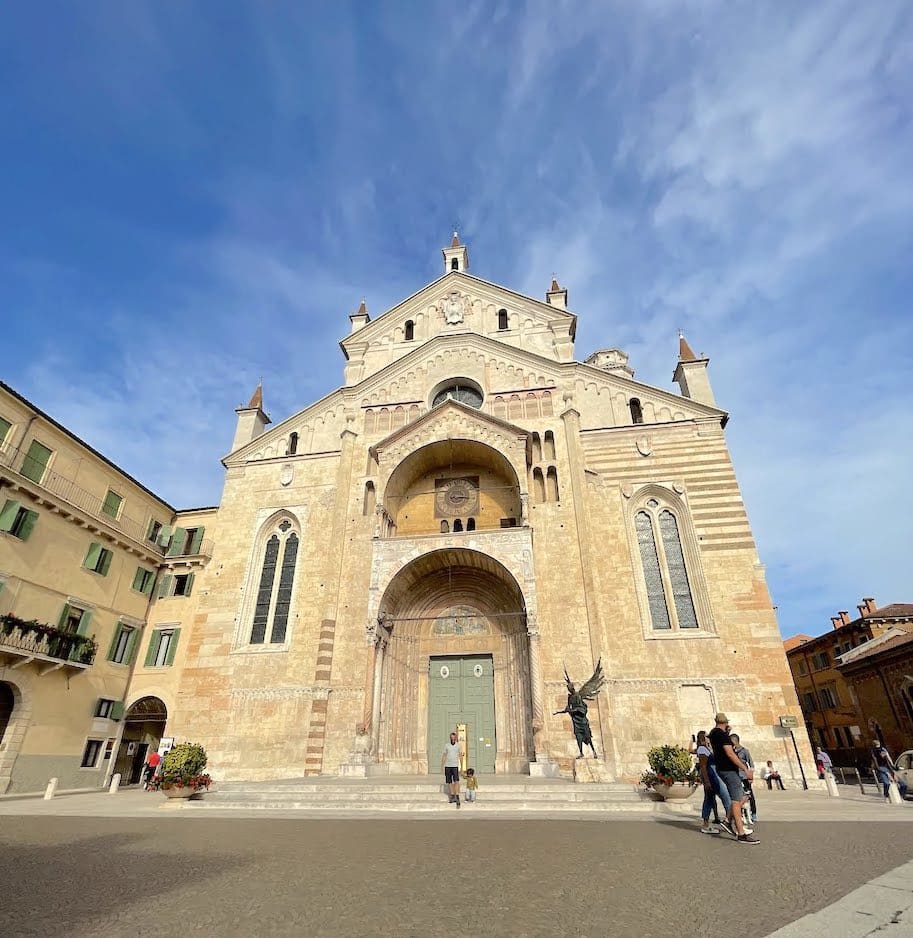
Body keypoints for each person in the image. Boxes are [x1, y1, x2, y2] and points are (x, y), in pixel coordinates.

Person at [709, 712, 760, 844]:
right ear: (726, 722)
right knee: (737, 800)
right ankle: (741, 833)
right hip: (729, 769)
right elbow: (730, 753)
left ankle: (727, 820)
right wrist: (745, 768)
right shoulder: (722, 736)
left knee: (743, 796)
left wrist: (727, 731)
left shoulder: (714, 733)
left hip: (722, 768)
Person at [695, 730, 726, 834]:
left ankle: (707, 822)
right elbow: (703, 766)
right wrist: (707, 781)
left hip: (712, 774)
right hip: (710, 775)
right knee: (711, 798)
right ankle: (706, 823)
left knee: (710, 798)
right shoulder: (702, 749)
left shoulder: (706, 748)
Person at [731, 734, 757, 824]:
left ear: (735, 741)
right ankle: (741, 814)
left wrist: (751, 776)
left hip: (744, 776)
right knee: (738, 796)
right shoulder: (732, 752)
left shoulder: (745, 751)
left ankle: (753, 813)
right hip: (736, 776)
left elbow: (751, 764)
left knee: (749, 795)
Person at [441, 731, 463, 809]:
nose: (452, 739)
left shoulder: (458, 746)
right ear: (450, 738)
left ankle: (457, 795)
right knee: (449, 781)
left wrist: (462, 767)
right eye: (451, 737)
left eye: (454, 737)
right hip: (448, 765)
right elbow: (444, 754)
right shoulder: (446, 745)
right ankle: (452, 795)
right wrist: (442, 765)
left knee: (456, 781)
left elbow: (460, 755)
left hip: (455, 766)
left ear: (455, 738)